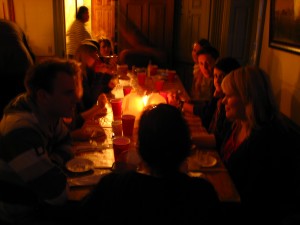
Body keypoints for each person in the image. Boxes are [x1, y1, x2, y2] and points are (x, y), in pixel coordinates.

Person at [81, 103, 221, 225]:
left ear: (139, 148)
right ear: (187, 146)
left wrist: (120, 175)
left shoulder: (115, 186)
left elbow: (82, 213)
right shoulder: (202, 195)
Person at [0, 58, 82, 224]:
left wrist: (51, 163)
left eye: (74, 91)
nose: (76, 99)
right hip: (22, 216)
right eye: (68, 93)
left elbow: (66, 140)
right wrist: (54, 167)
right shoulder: (20, 130)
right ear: (43, 95)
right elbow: (58, 194)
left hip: (39, 203)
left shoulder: (47, 110)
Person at [220, 66, 300, 224]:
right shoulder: (239, 124)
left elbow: (256, 199)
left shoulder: (267, 139)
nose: (223, 101)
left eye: (229, 96)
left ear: (248, 98)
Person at [192, 57, 240, 149]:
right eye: (215, 76)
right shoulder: (218, 97)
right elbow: (206, 119)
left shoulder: (230, 104)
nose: (217, 80)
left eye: (222, 76)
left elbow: (220, 138)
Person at [0, 19, 35, 118]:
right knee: (22, 100)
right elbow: (30, 51)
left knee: (8, 104)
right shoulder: (11, 25)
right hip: (26, 65)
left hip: (10, 71)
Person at [182, 45, 219, 117]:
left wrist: (182, 105)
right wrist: (192, 101)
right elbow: (207, 102)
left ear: (216, 62)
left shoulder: (218, 82)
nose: (204, 67)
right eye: (201, 64)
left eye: (207, 63)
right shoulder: (200, 75)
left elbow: (209, 110)